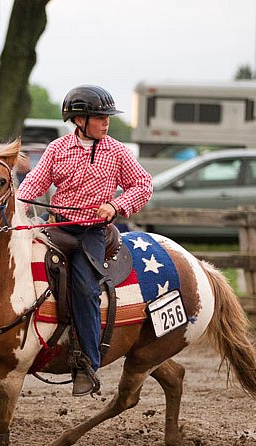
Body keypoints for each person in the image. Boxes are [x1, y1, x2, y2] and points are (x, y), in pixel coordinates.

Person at [17, 85, 153, 396]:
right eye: (100, 117)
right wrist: (18, 206)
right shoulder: (57, 149)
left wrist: (117, 206)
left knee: (84, 287)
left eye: (107, 117)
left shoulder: (117, 152)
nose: (106, 122)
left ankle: (87, 363)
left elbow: (143, 185)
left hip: (93, 233)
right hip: (59, 229)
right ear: (80, 120)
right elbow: (34, 184)